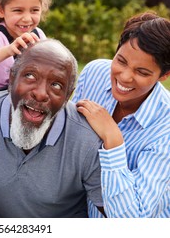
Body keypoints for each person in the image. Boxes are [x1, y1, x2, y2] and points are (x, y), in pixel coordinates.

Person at [0, 39, 104, 217]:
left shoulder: (87, 141)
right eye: (30, 76)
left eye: (56, 85)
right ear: (11, 79)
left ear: (67, 96)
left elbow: (115, 215)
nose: (40, 94)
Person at [72, 11, 170, 218]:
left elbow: (133, 220)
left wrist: (113, 139)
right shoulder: (94, 73)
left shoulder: (166, 127)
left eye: (142, 72)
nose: (125, 77)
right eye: (121, 61)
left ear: (164, 75)